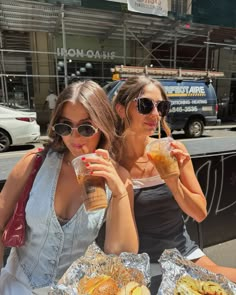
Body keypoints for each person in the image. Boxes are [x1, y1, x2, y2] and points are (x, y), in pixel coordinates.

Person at [0, 80, 138, 294]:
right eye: (65, 126)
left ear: (102, 127)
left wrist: (119, 192)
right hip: (18, 286)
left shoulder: (118, 177)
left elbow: (122, 253)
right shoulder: (34, 163)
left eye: (85, 127)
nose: (74, 137)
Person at [111, 75, 236, 293]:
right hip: (139, 265)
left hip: (183, 254)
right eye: (145, 105)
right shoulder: (112, 162)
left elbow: (200, 214)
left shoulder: (172, 151)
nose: (155, 114)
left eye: (162, 107)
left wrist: (173, 182)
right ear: (121, 110)